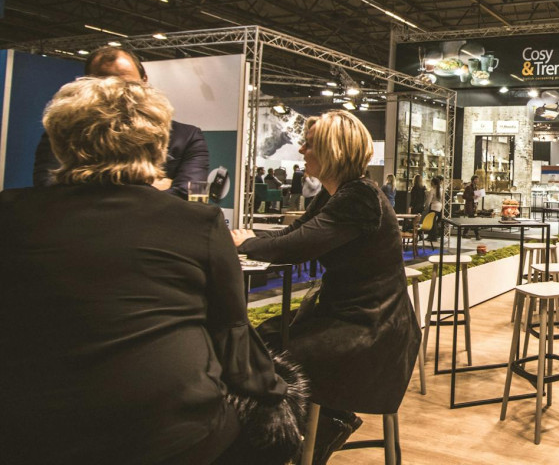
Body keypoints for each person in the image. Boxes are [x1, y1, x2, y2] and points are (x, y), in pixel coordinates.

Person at [3, 77, 302, 464]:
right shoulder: (198, 223)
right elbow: (233, 339)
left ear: (58, 143)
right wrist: (279, 396)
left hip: (24, 431)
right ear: (159, 147)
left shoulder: (10, 215)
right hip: (169, 433)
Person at [233, 111, 421, 465]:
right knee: (258, 340)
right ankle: (298, 441)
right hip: (350, 318)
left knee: (266, 354)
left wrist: (244, 243)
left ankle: (305, 440)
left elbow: (296, 245)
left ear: (331, 150)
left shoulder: (359, 198)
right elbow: (294, 234)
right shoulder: (339, 194)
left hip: (373, 332)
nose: (302, 149)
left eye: (310, 144)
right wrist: (251, 239)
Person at [32, 45, 210, 199]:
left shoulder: (186, 136)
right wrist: (155, 185)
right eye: (103, 82)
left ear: (144, 80)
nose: (115, 90)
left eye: (125, 82)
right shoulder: (64, 131)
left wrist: (87, 183)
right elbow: (47, 188)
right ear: (86, 84)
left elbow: (188, 194)